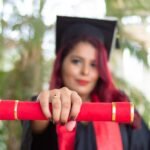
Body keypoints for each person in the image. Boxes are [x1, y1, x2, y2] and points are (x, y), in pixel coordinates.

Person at [21, 16, 150, 150]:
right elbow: (35, 128)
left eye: (94, 64)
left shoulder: (119, 107)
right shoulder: (50, 106)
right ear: (61, 64)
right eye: (76, 61)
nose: (85, 71)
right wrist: (48, 104)